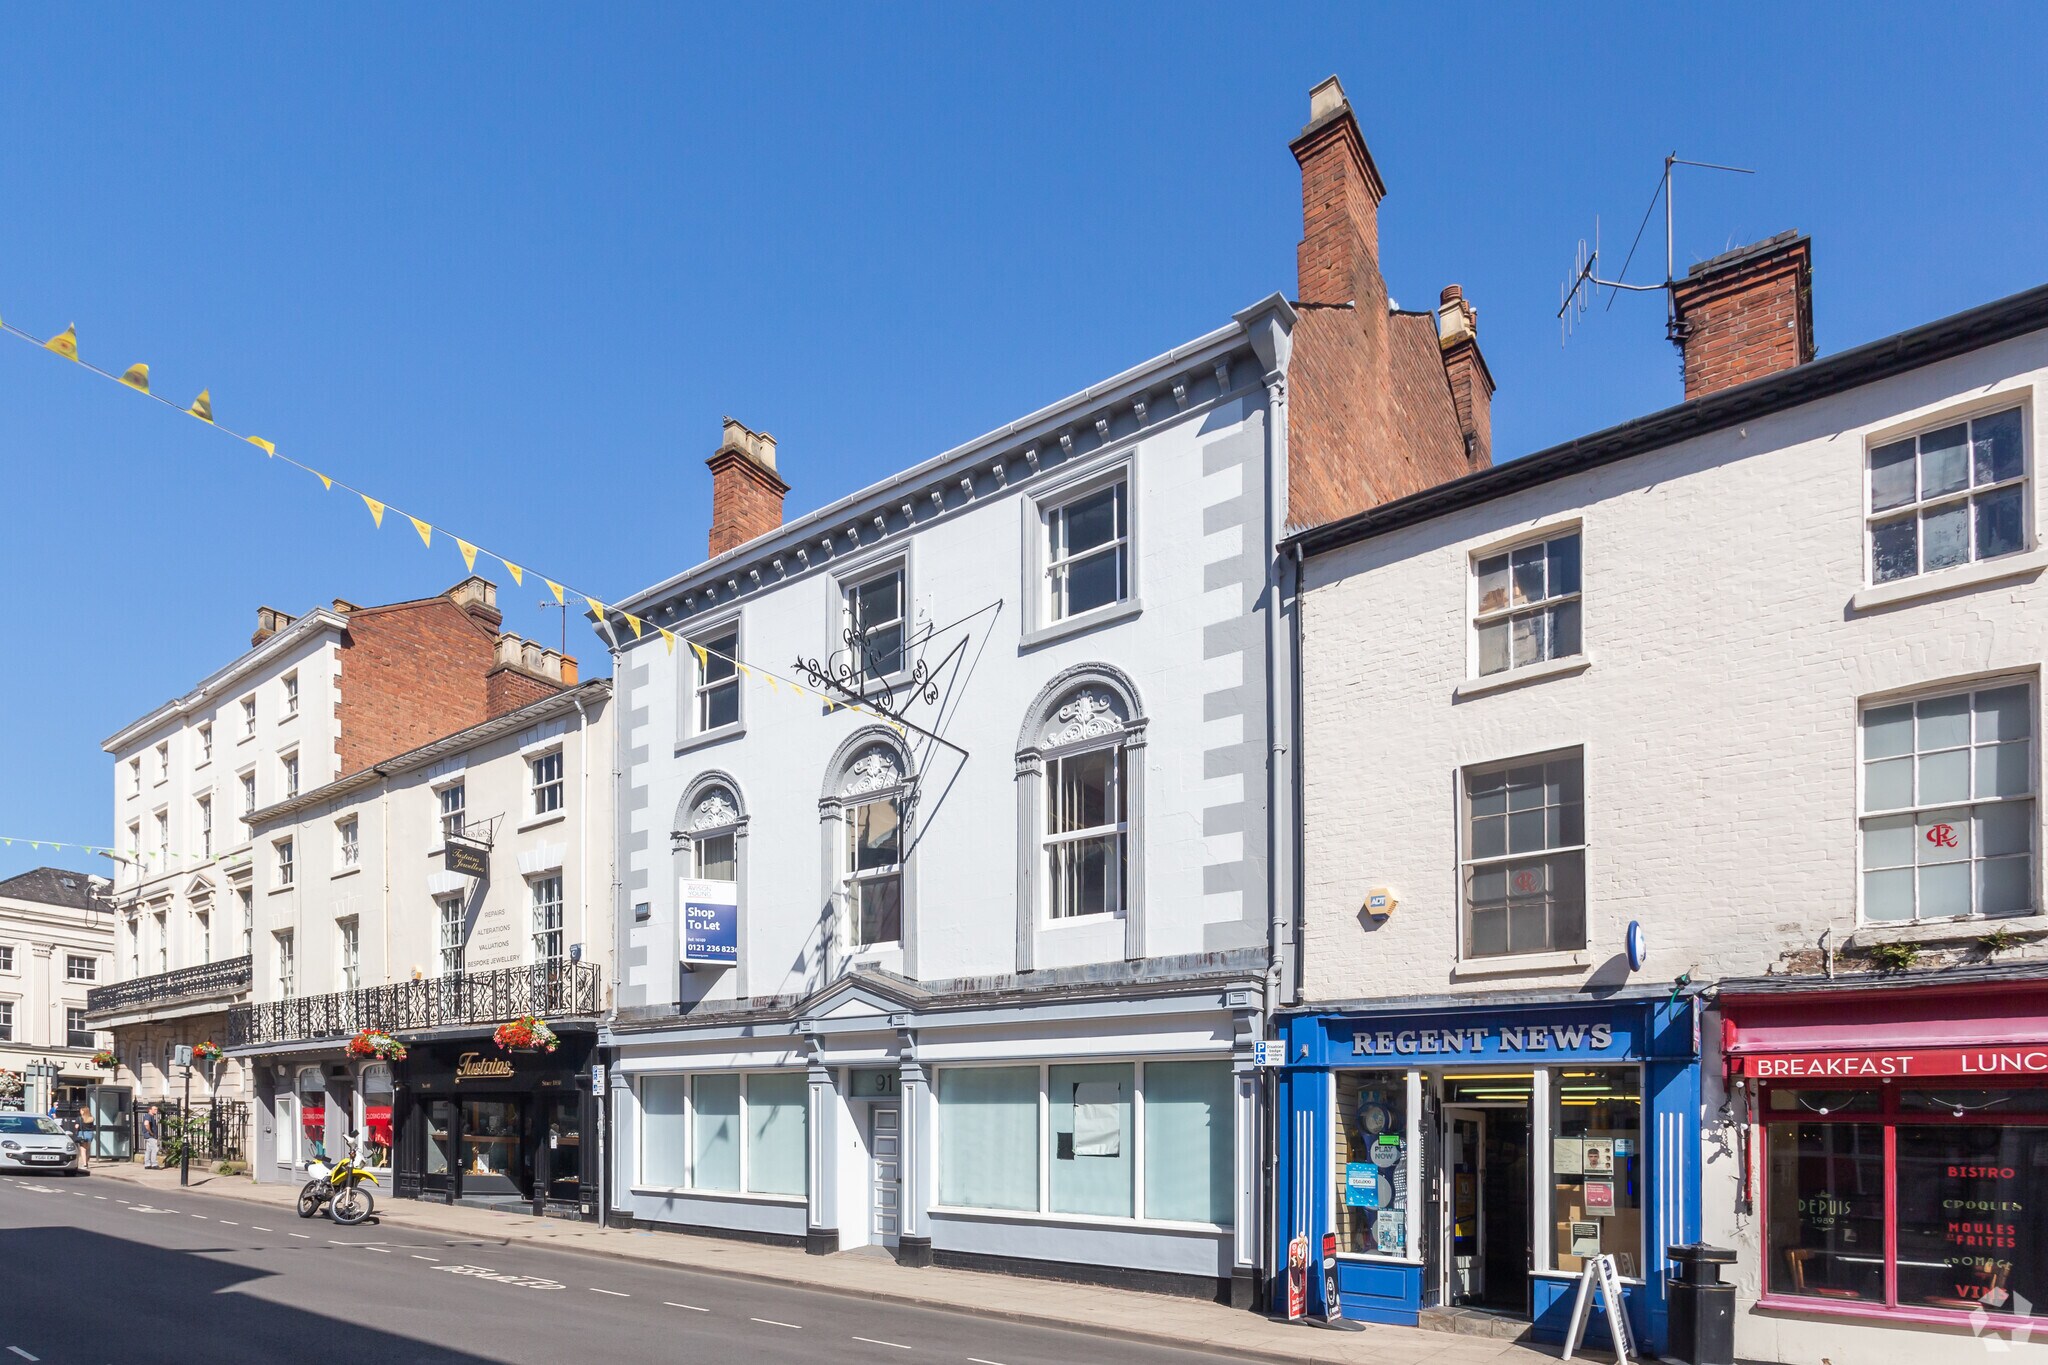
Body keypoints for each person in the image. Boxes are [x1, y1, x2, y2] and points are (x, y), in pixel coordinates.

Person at [141, 1104, 162, 1169]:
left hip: (147, 1136)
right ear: (150, 1110)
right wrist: (150, 1132)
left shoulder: (149, 1116)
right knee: (154, 1149)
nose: (156, 1111)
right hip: (150, 1136)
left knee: (148, 1150)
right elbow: (146, 1124)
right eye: (154, 1109)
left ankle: (147, 1164)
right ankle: (154, 1164)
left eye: (157, 1109)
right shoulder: (148, 1116)